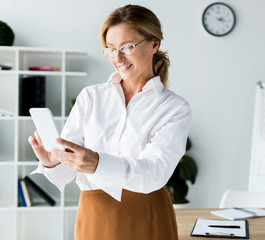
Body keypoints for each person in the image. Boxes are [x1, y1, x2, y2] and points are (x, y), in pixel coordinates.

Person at [28, 5, 191, 240]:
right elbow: (69, 169)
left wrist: (97, 164)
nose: (118, 58)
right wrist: (52, 161)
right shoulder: (90, 97)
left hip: (148, 215)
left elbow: (155, 172)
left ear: (154, 44)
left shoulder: (174, 108)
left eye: (127, 47)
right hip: (94, 215)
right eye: (111, 49)